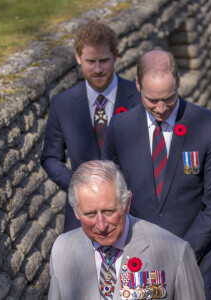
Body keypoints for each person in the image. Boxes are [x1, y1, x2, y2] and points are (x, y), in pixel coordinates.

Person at [102, 50, 211, 300]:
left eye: (169, 99)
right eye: (152, 100)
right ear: (138, 85)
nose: (161, 108)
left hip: (195, 258)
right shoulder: (120, 128)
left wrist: (182, 253)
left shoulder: (209, 125)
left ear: (178, 82)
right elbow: (111, 194)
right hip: (137, 261)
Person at [48, 160, 206, 300]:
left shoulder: (174, 251)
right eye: (90, 214)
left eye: (109, 211)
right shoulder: (62, 251)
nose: (101, 226)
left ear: (127, 203)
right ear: (76, 211)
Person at [41, 22, 141, 232]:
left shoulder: (140, 99)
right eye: (90, 61)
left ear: (115, 55)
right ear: (78, 58)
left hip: (135, 214)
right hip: (81, 221)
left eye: (104, 61)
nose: (97, 69)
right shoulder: (62, 104)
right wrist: (79, 186)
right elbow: (50, 158)